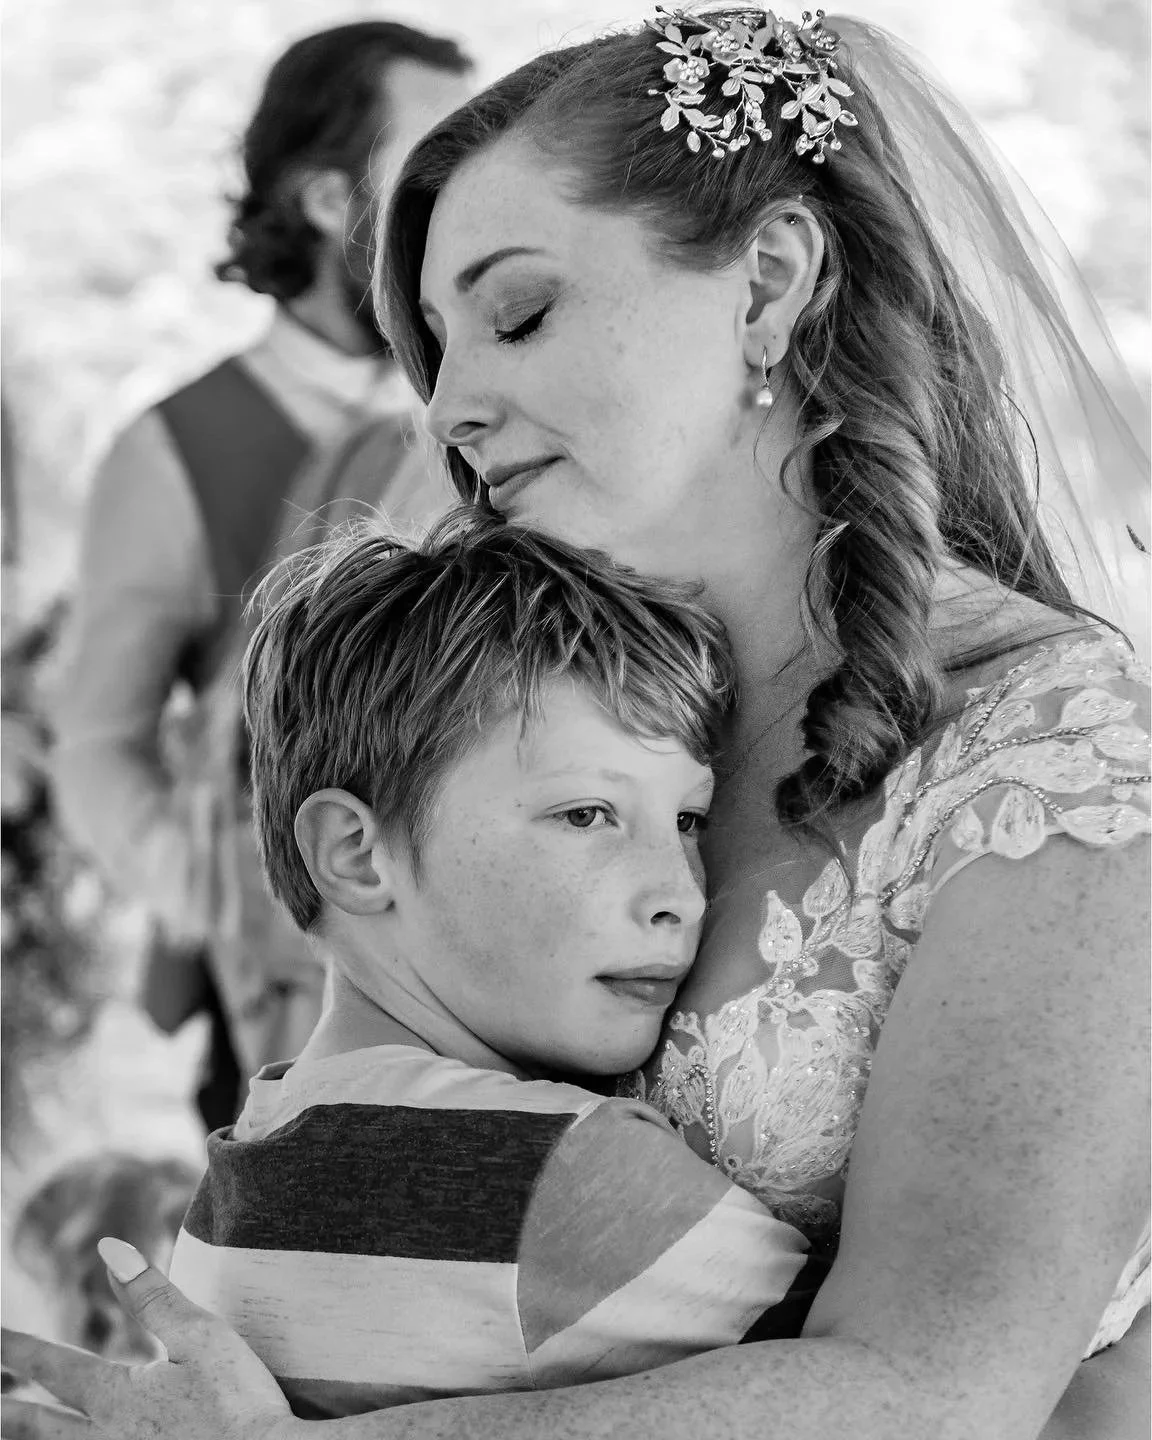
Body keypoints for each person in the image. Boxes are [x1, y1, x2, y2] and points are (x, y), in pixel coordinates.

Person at [4, 7, 1149, 1439]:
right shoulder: (558, 718)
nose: (453, 411)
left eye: (519, 311)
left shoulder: (1062, 763)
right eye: (432, 342)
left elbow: (941, 1391)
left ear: (770, 284)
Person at [165, 515, 823, 1415]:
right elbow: (936, 1394)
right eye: (587, 814)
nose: (680, 892)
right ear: (356, 855)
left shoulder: (234, 1188)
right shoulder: (558, 1174)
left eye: (688, 822)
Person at [51, 22, 473, 1130]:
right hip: (285, 1024)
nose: (471, 178)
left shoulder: (495, 403)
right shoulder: (170, 448)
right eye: (434, 152)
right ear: (334, 201)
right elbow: (98, 742)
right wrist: (234, 903)